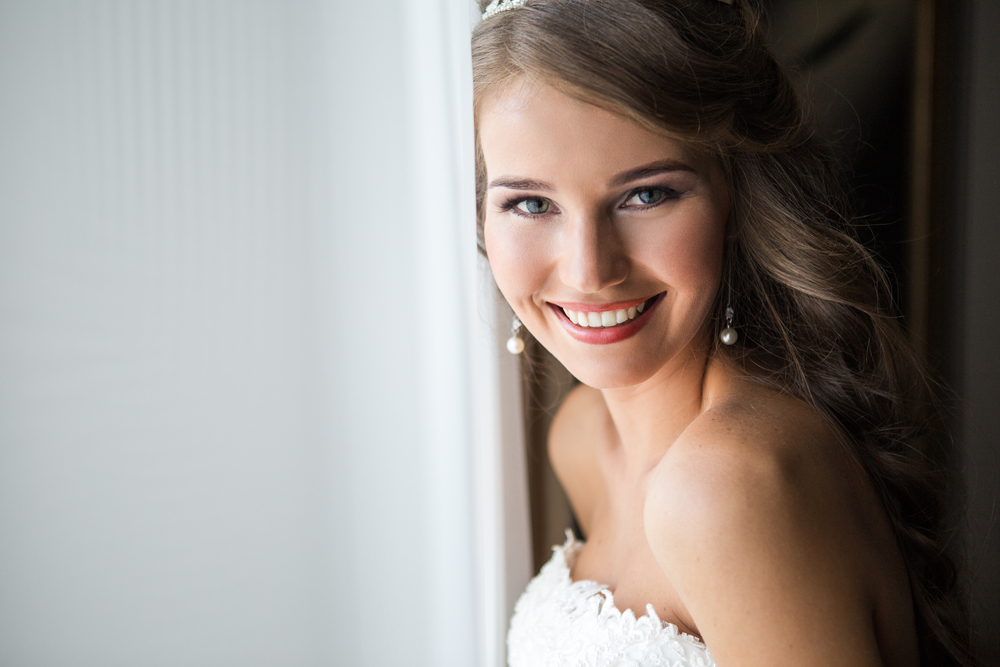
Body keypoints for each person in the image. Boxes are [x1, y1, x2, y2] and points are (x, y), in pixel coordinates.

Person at [471, 0, 972, 665]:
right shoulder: (584, 438)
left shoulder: (727, 485)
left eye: (646, 194)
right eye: (530, 203)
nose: (590, 270)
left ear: (735, 194)